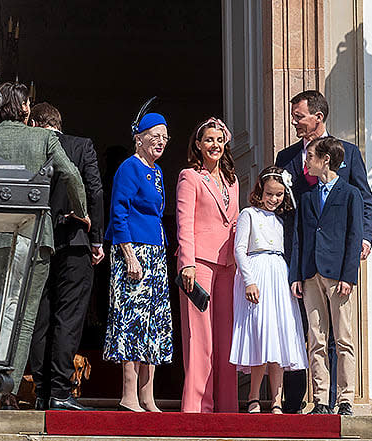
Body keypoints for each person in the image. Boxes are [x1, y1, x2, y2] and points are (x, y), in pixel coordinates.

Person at [0, 82, 90, 408]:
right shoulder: (43, 137)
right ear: (25, 109)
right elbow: (72, 175)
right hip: (36, 236)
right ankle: (4, 389)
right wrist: (81, 213)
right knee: (24, 318)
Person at [275, 90, 372, 412]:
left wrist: (362, 239)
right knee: (308, 334)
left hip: (338, 259)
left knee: (340, 335)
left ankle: (341, 399)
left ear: (318, 117)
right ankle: (305, 401)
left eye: (299, 116)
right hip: (303, 260)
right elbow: (286, 212)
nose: (294, 122)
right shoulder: (286, 158)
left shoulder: (347, 153)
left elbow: (364, 202)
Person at [27, 102, 104, 411]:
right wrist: (96, 237)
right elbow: (95, 190)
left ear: (35, 123)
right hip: (74, 239)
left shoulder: (31, 148)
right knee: (68, 318)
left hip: (36, 241)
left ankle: (42, 392)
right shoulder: (81, 145)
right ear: (58, 122)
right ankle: (61, 391)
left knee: (40, 319)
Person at [103, 111, 173, 412]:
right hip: (133, 253)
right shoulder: (129, 168)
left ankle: (148, 395)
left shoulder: (156, 171)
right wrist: (129, 255)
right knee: (132, 319)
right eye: (154, 136)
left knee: (154, 322)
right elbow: (118, 212)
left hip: (156, 253)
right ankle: (129, 395)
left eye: (164, 138)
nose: (160, 142)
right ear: (138, 138)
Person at [289, 136, 364, 416]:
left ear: (325, 160)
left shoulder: (349, 194)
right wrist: (297, 273)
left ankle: (345, 399)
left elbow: (354, 237)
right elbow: (299, 236)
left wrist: (349, 275)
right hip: (310, 274)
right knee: (316, 338)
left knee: (343, 338)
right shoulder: (307, 196)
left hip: (338, 276)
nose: (306, 162)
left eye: (310, 157)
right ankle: (320, 399)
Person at [229, 166, 308, 414]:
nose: (274, 200)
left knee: (278, 336)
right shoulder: (248, 214)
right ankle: (253, 397)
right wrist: (249, 280)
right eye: (270, 194)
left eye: (279, 195)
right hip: (258, 272)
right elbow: (240, 248)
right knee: (260, 334)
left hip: (278, 275)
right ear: (260, 192)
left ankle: (276, 399)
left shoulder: (281, 220)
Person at [176, 117, 239, 413]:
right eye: (209, 140)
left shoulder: (232, 179)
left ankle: (227, 408)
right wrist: (186, 263)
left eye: (219, 140)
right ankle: (197, 408)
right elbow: (184, 222)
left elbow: (236, 222)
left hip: (228, 264)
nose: (215, 145)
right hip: (198, 263)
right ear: (198, 145)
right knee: (199, 338)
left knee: (226, 337)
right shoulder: (190, 176)